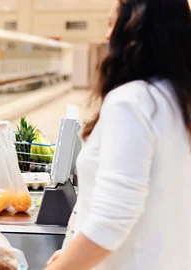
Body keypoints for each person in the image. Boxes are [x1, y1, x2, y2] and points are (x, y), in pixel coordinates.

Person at [45, 0, 191, 269]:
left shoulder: (131, 102)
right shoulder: (177, 102)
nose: (107, 35)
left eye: (112, 23)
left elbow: (112, 218)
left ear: (136, 28)